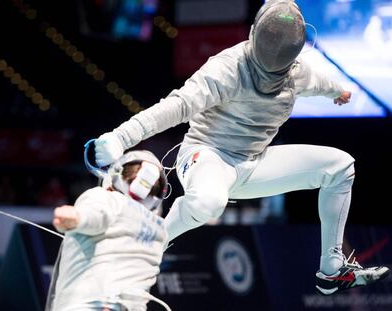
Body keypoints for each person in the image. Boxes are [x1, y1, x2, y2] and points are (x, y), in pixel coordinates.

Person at [93, 0, 389, 296]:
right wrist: (120, 137)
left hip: (255, 164)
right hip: (207, 156)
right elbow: (176, 106)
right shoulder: (226, 69)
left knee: (340, 166)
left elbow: (319, 81)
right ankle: (148, 244)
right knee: (208, 201)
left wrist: (339, 90)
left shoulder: (298, 72)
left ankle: (332, 270)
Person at [45, 150, 171, 311]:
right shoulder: (160, 229)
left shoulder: (105, 198)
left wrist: (76, 218)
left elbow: (96, 216)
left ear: (117, 174)